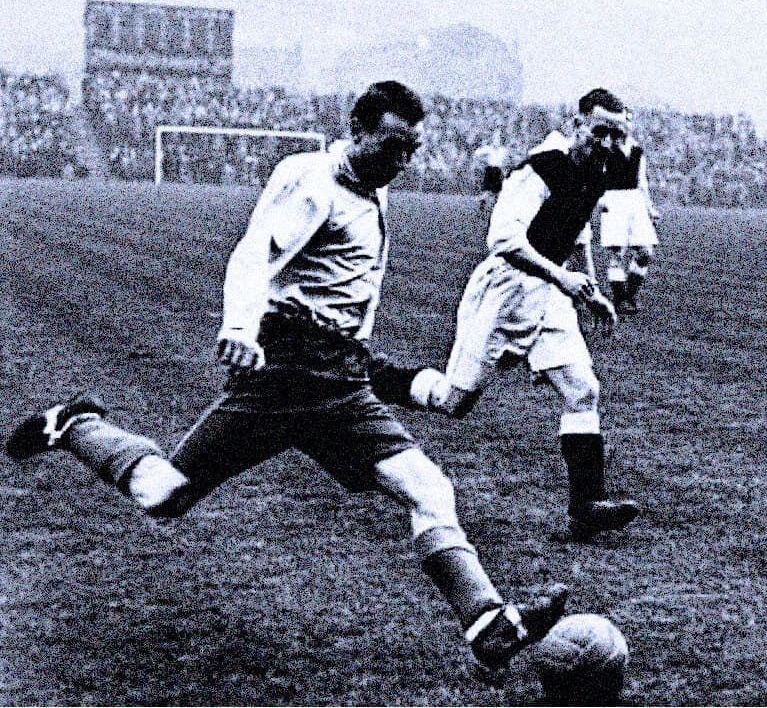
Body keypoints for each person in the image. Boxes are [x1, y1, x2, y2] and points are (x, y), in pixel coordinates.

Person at [5, 81, 568, 671]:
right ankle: (77, 425)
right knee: (164, 494)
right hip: (282, 377)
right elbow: (254, 254)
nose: (402, 162)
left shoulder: (371, 188)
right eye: (393, 146)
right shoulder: (311, 180)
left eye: (412, 150)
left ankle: (487, 621)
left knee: (429, 489)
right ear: (358, 129)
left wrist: (367, 364)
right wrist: (242, 328)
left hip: (340, 383)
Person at [373, 87, 640, 542]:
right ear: (576, 125)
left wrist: (588, 289)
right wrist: (564, 279)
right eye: (599, 132)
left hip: (551, 292)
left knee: (583, 389)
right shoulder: (539, 169)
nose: (608, 144)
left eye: (618, 136)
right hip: (504, 289)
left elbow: (576, 231)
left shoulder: (603, 166)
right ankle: (374, 378)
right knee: (454, 402)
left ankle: (586, 504)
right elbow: (504, 242)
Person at [598, 111, 660, 315]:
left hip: (635, 201)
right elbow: (596, 176)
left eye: (626, 123)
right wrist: (600, 200)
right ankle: (620, 299)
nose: (623, 127)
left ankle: (630, 295)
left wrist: (650, 208)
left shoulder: (637, 151)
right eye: (619, 124)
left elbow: (642, 182)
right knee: (617, 253)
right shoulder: (604, 150)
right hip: (614, 200)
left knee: (645, 252)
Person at [473, 131, 512, 214]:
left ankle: (492, 208)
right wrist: (483, 161)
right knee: (488, 190)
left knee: (497, 192)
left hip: (498, 171)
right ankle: (482, 204)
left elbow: (507, 160)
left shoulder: (503, 150)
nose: (496, 141)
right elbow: (476, 153)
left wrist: (505, 167)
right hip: (490, 170)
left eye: (498, 139)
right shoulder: (488, 149)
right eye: (495, 139)